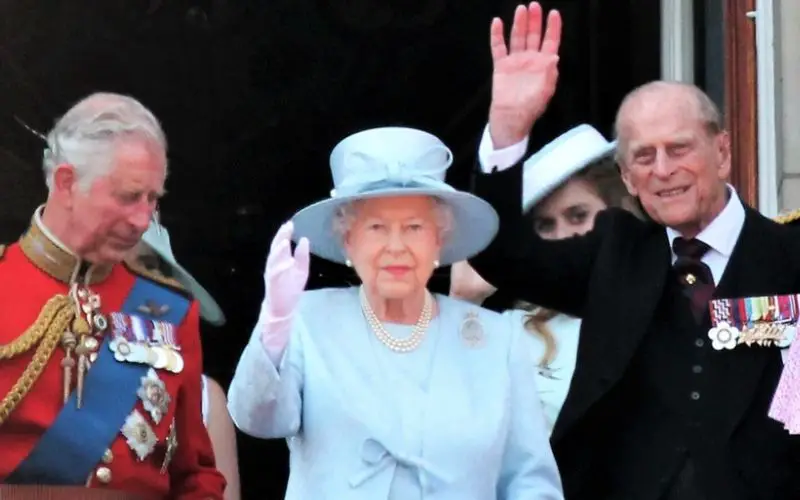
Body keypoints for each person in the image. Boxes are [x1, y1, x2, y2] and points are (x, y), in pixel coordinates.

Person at [461, 2, 800, 499]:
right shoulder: (615, 253)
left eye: (679, 148)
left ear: (722, 151)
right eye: (644, 156)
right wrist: (508, 128)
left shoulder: (789, 254)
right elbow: (503, 258)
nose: (663, 170)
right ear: (626, 177)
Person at [226, 126, 564, 499]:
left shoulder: (498, 339)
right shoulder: (308, 319)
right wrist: (273, 325)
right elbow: (257, 419)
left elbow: (530, 480)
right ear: (348, 242)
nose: (396, 246)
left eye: (414, 227)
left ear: (439, 239)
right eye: (376, 227)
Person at [0, 92, 226, 498]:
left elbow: (196, 476)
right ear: (67, 183)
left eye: (152, 198)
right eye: (127, 196)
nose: (143, 220)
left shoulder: (170, 310)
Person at [450, 124, 640, 432]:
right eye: (545, 225)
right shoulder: (515, 331)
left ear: (619, 209)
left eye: (578, 215)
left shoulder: (669, 293)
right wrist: (465, 300)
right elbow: (452, 419)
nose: (562, 235)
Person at [136, 222, 241, 500]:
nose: (130, 281)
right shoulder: (52, 375)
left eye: (147, 266)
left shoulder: (206, 397)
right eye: (111, 267)